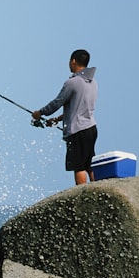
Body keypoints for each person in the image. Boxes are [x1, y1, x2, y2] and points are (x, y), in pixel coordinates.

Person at [31, 49, 98, 185]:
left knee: (78, 166)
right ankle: (97, 188)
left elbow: (57, 103)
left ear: (73, 61)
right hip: (91, 129)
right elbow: (78, 108)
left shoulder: (72, 82)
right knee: (89, 163)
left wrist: (40, 113)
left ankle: (82, 194)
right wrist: (57, 120)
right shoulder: (92, 83)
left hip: (77, 131)